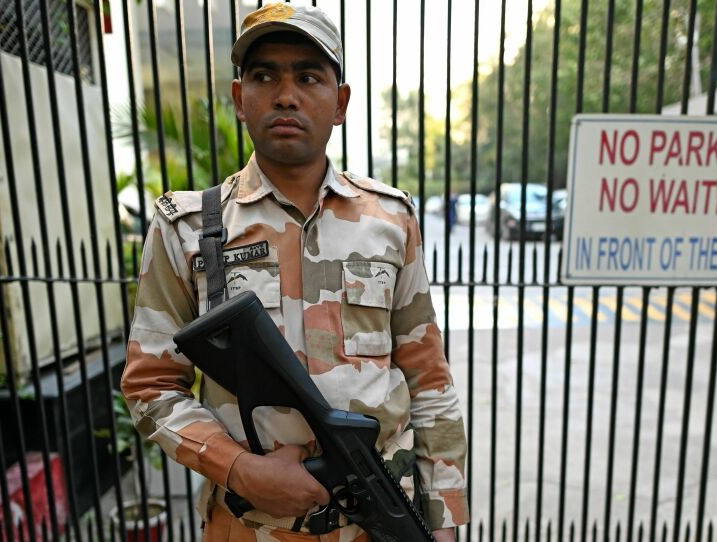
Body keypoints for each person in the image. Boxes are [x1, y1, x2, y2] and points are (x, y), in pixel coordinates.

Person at [121, 3, 468, 541]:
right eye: (264, 76)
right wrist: (239, 469)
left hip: (377, 523)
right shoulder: (189, 228)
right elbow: (150, 385)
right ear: (240, 99)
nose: (286, 95)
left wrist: (443, 520)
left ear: (341, 103)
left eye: (309, 76)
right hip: (247, 526)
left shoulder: (390, 219)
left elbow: (428, 376)